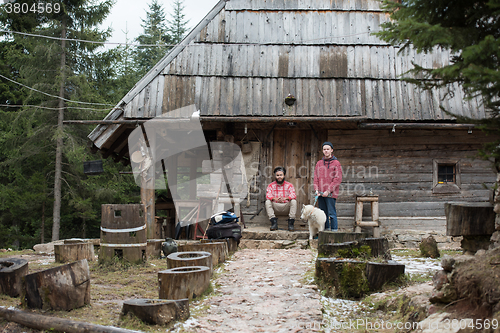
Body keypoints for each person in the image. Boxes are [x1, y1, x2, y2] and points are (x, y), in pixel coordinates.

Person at [314, 142, 342, 231]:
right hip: (320, 194)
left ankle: (334, 231)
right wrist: (316, 190)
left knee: (331, 213)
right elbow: (316, 177)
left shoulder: (336, 163)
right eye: (324, 149)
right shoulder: (319, 163)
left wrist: (328, 191)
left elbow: (337, 179)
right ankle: (325, 230)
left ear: (331, 150)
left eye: (328, 149)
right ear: (322, 151)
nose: (326, 151)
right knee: (323, 213)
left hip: (330, 193)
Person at [265, 167, 297, 231]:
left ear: (284, 175)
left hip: (286, 206)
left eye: (281, 175)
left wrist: (285, 198)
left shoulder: (289, 185)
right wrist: (275, 199)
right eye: (277, 175)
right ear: (275, 176)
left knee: (293, 201)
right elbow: (268, 195)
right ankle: (274, 223)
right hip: (276, 206)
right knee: (267, 201)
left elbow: (293, 195)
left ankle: (291, 223)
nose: (279, 177)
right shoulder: (271, 185)